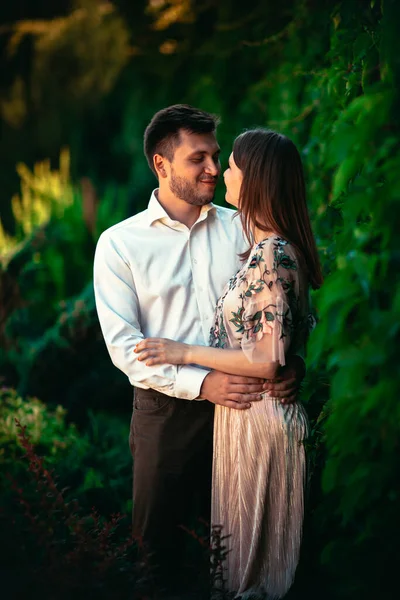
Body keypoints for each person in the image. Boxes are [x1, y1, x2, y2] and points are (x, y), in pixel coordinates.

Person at [93, 106, 305, 593]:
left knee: (235, 558)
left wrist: (291, 363)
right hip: (165, 417)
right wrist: (204, 382)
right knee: (158, 560)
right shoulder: (119, 244)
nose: (213, 168)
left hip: (247, 414)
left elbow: (281, 301)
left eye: (216, 155)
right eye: (198, 158)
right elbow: (125, 347)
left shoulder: (243, 227)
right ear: (161, 165)